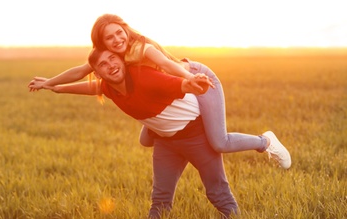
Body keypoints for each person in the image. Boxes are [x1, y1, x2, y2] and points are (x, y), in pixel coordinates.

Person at [28, 13, 291, 170]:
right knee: (145, 140)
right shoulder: (111, 59)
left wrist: (192, 78)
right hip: (168, 94)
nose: (117, 40)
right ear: (102, 43)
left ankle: (264, 142)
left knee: (219, 142)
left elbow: (168, 65)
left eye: (119, 33)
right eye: (110, 38)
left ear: (125, 30)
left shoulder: (141, 49)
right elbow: (81, 73)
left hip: (196, 79)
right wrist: (51, 83)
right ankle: (168, 133)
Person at [29, 48, 240, 219]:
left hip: (196, 136)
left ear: (122, 60)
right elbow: (89, 87)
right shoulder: (109, 88)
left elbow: (178, 84)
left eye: (113, 58)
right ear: (99, 73)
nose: (110, 64)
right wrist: (54, 87)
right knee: (159, 201)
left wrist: (193, 80)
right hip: (165, 141)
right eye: (103, 64)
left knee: (218, 194)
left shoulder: (145, 77)